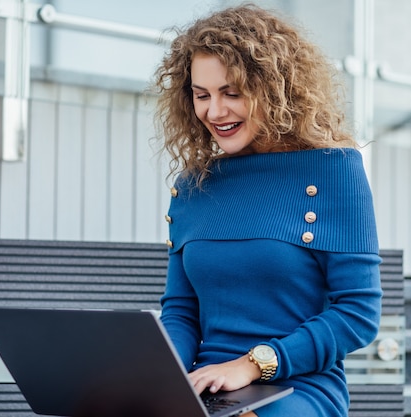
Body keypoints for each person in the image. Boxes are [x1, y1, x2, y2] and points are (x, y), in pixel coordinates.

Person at [153, 4, 382, 416]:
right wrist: (155, 378)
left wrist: (251, 365)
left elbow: (357, 314)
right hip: (207, 386)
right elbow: (182, 311)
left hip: (297, 386)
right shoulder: (193, 184)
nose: (214, 112)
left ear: (274, 90)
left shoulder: (335, 171)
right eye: (201, 95)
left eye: (232, 93)